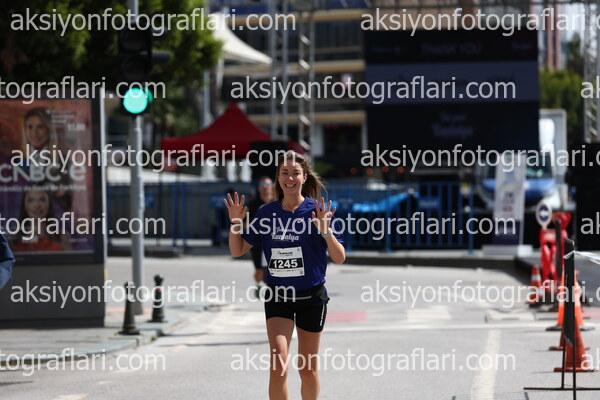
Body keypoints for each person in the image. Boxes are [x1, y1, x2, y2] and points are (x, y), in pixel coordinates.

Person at [224, 151, 345, 400]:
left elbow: (339, 256)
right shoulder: (267, 213)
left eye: (295, 173)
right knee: (278, 363)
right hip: (278, 297)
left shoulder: (317, 211)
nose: (290, 178)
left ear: (304, 177)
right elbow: (237, 250)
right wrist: (236, 223)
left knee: (307, 369)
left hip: (311, 298)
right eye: (284, 173)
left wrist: (326, 232)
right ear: (278, 178)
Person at [13, 188, 70, 252]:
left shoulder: (63, 237)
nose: (37, 205)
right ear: (24, 206)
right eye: (31, 200)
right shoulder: (14, 239)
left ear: (49, 205)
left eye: (42, 200)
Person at [248, 176, 274, 285]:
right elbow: (245, 224)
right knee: (260, 274)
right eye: (262, 185)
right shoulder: (253, 205)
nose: (265, 187)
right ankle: (261, 288)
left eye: (267, 184)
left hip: (275, 242)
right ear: (258, 188)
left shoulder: (278, 203)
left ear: (272, 186)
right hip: (258, 245)